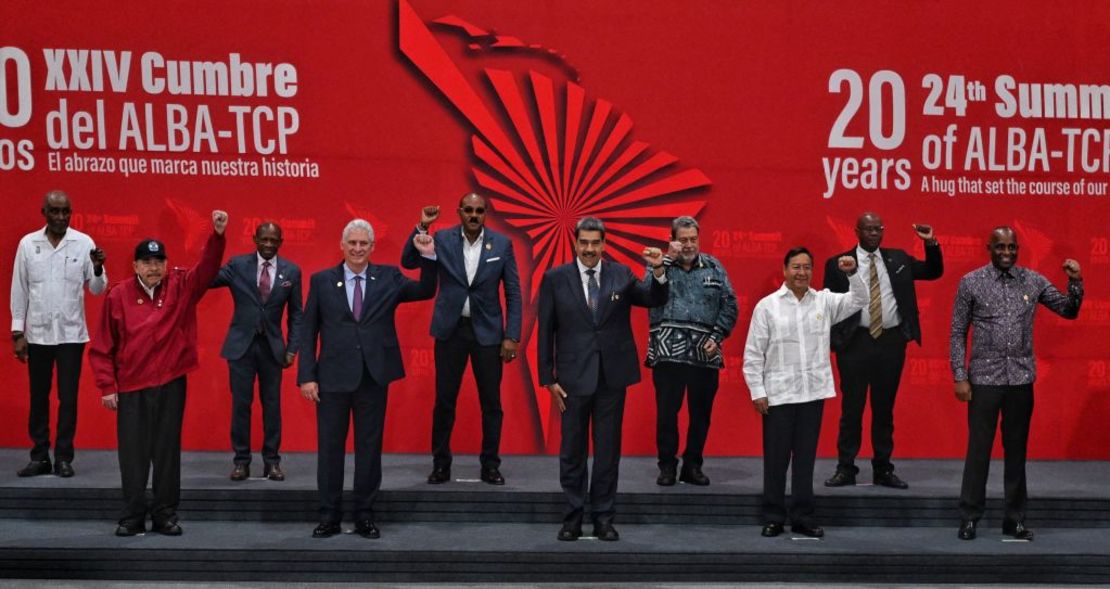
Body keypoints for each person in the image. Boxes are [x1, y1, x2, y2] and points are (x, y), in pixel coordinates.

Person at [89, 210, 228, 537]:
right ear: (135, 266)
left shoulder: (180, 286)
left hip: (170, 384)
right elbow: (101, 346)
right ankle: (132, 516)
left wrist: (217, 236)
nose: (154, 268)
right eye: (147, 262)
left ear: (166, 264)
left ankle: (165, 515)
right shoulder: (118, 295)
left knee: (166, 452)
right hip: (132, 387)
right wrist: (108, 386)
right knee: (133, 455)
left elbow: (207, 271)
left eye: (159, 262)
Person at [298, 219, 436, 540]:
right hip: (331, 379)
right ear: (342, 245)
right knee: (330, 450)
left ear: (373, 248)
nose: (358, 249)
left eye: (364, 244)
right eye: (353, 243)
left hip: (373, 378)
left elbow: (425, 290)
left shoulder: (388, 277)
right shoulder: (321, 281)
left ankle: (364, 516)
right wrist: (307, 376)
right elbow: (308, 332)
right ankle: (329, 516)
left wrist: (428, 256)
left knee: (369, 450)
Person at [537, 217, 668, 542]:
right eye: (584, 243)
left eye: (596, 243)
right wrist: (547, 377)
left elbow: (654, 298)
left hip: (612, 378)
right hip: (570, 379)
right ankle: (572, 517)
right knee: (572, 451)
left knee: (608, 451)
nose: (590, 249)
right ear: (575, 243)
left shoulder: (621, 274)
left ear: (604, 244)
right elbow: (545, 330)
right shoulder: (555, 278)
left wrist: (659, 272)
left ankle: (603, 518)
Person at [951, 226, 1083, 541]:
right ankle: (970, 517)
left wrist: (1075, 280)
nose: (1007, 252)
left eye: (1012, 247)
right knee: (978, 451)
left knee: (1016, 453)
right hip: (983, 380)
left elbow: (1068, 310)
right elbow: (958, 331)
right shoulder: (971, 282)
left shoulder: (1033, 281)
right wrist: (959, 375)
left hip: (1021, 379)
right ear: (989, 248)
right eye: (1000, 247)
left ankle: (1015, 520)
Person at [743, 247, 865, 538]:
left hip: (812, 394)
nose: (802, 272)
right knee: (775, 459)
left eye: (807, 267)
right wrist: (757, 391)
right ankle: (773, 516)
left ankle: (802, 517)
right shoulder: (767, 306)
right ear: (784, 270)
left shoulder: (824, 301)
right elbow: (753, 353)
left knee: (805, 461)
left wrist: (853, 274)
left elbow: (860, 299)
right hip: (778, 395)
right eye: (796, 267)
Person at [401, 193, 522, 486]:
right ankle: (441, 465)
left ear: (485, 214)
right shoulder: (441, 239)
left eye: (479, 211)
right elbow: (408, 260)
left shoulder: (502, 245)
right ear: (459, 212)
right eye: (468, 210)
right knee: (445, 401)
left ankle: (490, 465)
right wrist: (421, 227)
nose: (473, 215)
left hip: (489, 333)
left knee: (491, 403)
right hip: (450, 331)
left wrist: (512, 336)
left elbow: (514, 294)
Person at [824, 213, 943, 489]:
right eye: (868, 229)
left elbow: (933, 271)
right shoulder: (838, 263)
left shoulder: (899, 259)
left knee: (884, 409)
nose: (874, 233)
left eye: (878, 228)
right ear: (856, 231)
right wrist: (833, 341)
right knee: (851, 408)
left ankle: (883, 469)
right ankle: (845, 468)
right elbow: (827, 304)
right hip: (855, 342)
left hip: (890, 342)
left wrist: (931, 243)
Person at [10, 190, 107, 478]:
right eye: (55, 211)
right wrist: (17, 331)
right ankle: (39, 456)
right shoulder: (28, 244)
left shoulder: (83, 243)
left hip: (71, 335)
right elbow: (20, 289)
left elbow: (98, 288)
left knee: (69, 398)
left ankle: (64, 457)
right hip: (38, 333)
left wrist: (99, 267)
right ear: (44, 213)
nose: (61, 217)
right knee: (38, 397)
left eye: (65, 211)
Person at [646, 216, 738, 486]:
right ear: (672, 239)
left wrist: (717, 335)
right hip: (667, 355)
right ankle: (667, 466)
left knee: (701, 415)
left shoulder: (714, 266)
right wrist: (663, 264)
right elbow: (649, 295)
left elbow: (730, 304)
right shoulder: (658, 265)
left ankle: (693, 465)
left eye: (692, 239)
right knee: (666, 414)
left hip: (704, 354)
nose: (688, 245)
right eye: (682, 239)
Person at [212, 221, 303, 481]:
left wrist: (292, 349)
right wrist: (216, 239)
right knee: (241, 406)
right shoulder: (238, 266)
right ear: (255, 239)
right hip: (241, 347)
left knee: (272, 407)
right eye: (264, 239)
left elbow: (297, 314)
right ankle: (241, 461)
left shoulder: (292, 271)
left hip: (273, 349)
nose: (268, 245)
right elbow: (207, 278)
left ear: (281, 242)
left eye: (274, 241)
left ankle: (272, 462)